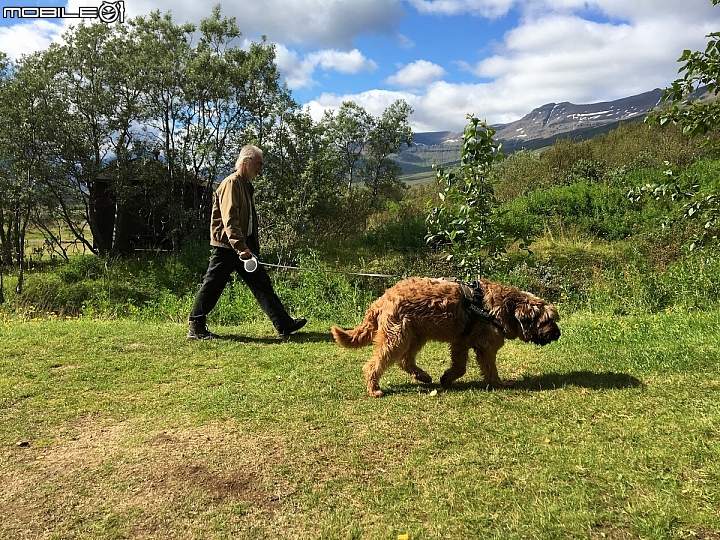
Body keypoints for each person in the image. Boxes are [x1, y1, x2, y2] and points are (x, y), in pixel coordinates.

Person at [187, 144, 306, 339]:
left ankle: (284, 325)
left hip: (243, 245)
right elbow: (230, 220)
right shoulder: (231, 183)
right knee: (212, 285)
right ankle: (196, 326)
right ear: (246, 162)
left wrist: (247, 246)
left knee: (262, 284)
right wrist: (241, 248)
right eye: (259, 164)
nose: (261, 169)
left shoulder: (245, 185)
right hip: (227, 246)